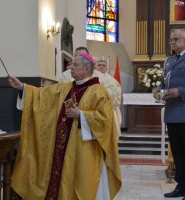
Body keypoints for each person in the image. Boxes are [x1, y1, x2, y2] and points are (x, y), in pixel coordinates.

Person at [8, 53, 121, 200]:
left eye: (75, 65)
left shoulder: (98, 91)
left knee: (81, 182)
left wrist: (81, 115)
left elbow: (105, 121)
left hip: (84, 150)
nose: (71, 68)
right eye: (71, 65)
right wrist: (22, 87)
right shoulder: (65, 88)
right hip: (60, 147)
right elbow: (42, 95)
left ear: (86, 69)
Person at [160, 29, 185, 200]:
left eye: (175, 39)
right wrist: (160, 91)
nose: (172, 42)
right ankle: (182, 186)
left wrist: (180, 91)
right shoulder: (169, 60)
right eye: (170, 40)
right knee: (178, 153)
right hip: (172, 113)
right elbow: (164, 82)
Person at [60, 49, 122, 136]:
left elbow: (110, 99)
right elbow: (60, 94)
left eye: (81, 57)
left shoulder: (104, 78)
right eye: (76, 57)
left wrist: (83, 111)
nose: (73, 67)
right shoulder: (65, 75)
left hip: (91, 126)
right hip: (69, 120)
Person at [94, 59, 122, 136]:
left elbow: (117, 96)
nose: (101, 67)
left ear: (106, 68)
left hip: (109, 110)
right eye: (99, 65)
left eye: (103, 65)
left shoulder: (112, 81)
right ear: (96, 66)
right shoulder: (91, 78)